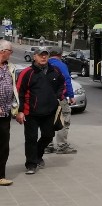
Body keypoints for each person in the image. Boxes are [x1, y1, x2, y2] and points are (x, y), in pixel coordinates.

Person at [15, 46, 66, 175]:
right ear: (34, 56)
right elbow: (19, 92)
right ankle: (31, 164)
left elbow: (62, 84)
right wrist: (20, 111)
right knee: (31, 139)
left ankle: (38, 155)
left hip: (49, 111)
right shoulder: (27, 72)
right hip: (31, 112)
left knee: (49, 135)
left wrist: (59, 96)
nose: (43, 57)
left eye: (45, 55)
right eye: (40, 55)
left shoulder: (55, 70)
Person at [45, 49, 77, 155]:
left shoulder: (44, 64)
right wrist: (71, 96)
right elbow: (66, 80)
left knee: (48, 120)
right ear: (60, 55)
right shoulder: (61, 65)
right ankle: (62, 145)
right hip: (60, 97)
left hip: (45, 98)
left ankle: (48, 145)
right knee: (64, 118)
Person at [0, 40, 19, 186]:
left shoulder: (9, 67)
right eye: (10, 51)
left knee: (3, 146)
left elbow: (13, 90)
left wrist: (15, 108)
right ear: (2, 51)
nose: (11, 54)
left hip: (5, 113)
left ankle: (1, 176)